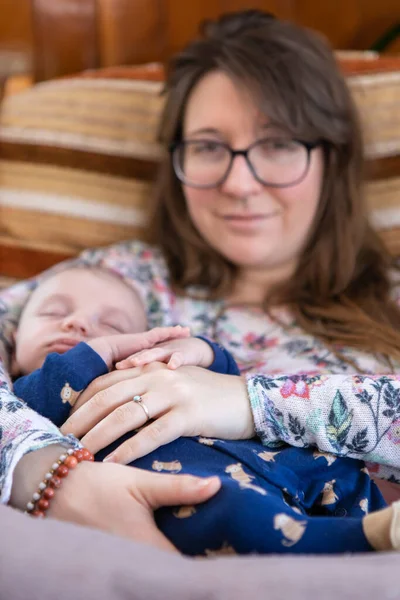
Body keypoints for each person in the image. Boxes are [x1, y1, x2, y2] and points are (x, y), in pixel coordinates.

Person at [1, 9, 400, 554]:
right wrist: (50, 478)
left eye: (279, 143)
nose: (240, 183)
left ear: (333, 158)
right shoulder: (123, 280)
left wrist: (248, 402)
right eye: (210, 147)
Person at [10, 263, 395, 555]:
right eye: (51, 314)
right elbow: (48, 391)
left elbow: (227, 380)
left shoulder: (156, 365)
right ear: (13, 341)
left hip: (275, 457)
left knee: (344, 470)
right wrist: (100, 350)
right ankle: (360, 541)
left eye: (111, 324)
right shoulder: (27, 396)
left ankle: (376, 525)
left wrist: (201, 353)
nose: (77, 323)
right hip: (192, 488)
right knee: (238, 515)